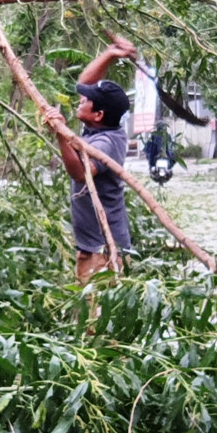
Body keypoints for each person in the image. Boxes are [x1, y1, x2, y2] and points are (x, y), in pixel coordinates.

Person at [57, 36, 137, 284]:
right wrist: (110, 54)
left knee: (97, 320)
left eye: (85, 101)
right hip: (92, 249)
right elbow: (84, 83)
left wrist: (60, 133)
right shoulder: (97, 126)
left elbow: (82, 173)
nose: (80, 99)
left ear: (98, 114)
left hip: (105, 253)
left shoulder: (106, 143)